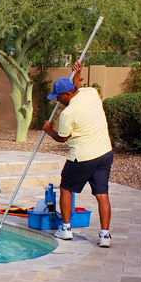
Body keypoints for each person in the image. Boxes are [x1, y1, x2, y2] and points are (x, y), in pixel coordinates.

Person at [42, 61, 113, 247]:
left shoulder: (68, 114)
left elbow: (62, 138)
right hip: (104, 152)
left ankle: (65, 229)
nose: (57, 101)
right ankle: (105, 235)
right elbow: (80, 88)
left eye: (58, 97)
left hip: (82, 156)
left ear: (67, 94)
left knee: (66, 188)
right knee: (102, 194)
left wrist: (48, 129)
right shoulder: (92, 94)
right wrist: (77, 73)